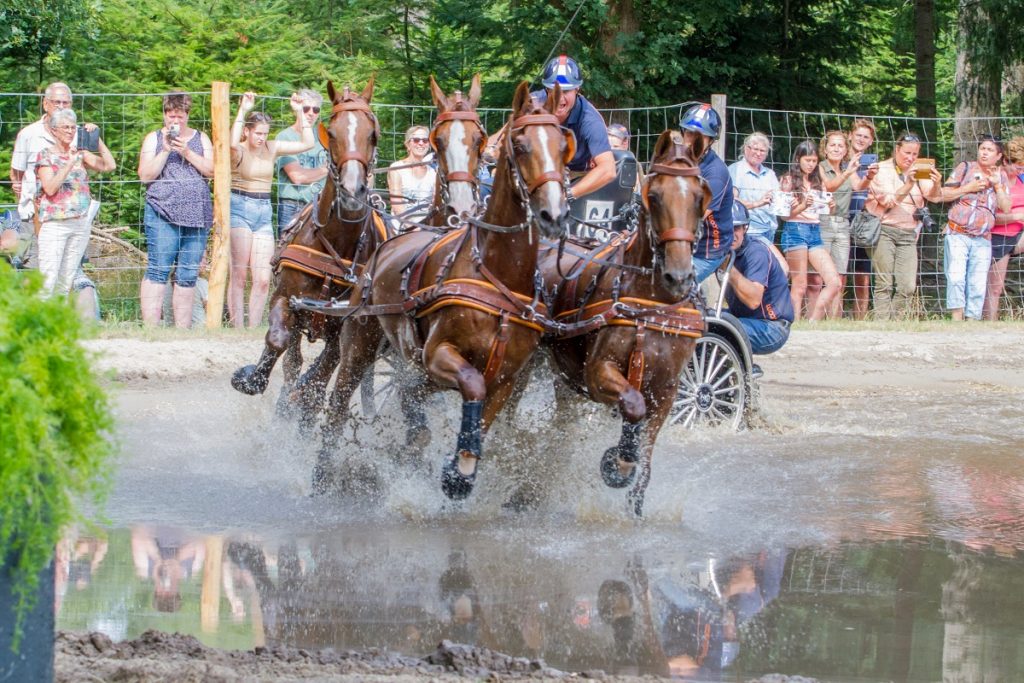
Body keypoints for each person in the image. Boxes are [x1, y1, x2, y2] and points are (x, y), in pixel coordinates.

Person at [228, 92, 314, 328]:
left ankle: (254, 327)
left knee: (263, 278)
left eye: (265, 133)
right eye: (257, 133)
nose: (262, 138)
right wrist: (243, 110)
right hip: (239, 205)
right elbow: (231, 143)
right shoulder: (240, 149)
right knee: (239, 273)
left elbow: (308, 143)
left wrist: (299, 111)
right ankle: (237, 327)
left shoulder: (272, 147)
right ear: (247, 131)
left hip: (263, 209)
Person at [137, 92, 214, 328]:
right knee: (158, 270)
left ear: (187, 115)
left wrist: (186, 152)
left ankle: (183, 330)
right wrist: (166, 150)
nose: (175, 122)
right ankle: (151, 330)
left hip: (197, 215)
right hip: (162, 212)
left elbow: (211, 170)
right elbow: (145, 175)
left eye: (180, 117)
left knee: (188, 275)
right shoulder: (154, 139)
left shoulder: (201, 139)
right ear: (164, 114)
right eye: (171, 116)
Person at [503, 55, 615, 201]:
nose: (559, 99)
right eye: (553, 91)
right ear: (546, 90)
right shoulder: (533, 104)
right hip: (536, 172)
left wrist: (568, 195)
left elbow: (608, 169)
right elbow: (502, 137)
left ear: (577, 89)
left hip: (574, 176)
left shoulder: (590, 121)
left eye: (566, 91)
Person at [863, 132, 947, 320]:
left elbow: (933, 197)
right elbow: (888, 201)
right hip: (884, 229)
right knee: (884, 282)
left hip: (909, 232)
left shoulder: (919, 169)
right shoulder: (881, 169)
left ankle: (895, 322)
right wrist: (909, 183)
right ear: (896, 150)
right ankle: (882, 324)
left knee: (908, 285)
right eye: (906, 153)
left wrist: (936, 183)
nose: (910, 158)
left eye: (915, 154)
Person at [34, 108, 115, 298]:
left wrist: (97, 139)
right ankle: (38, 323)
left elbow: (109, 166)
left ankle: (59, 324)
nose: (70, 132)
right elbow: (51, 188)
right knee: (47, 279)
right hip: (55, 224)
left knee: (66, 280)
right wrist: (70, 163)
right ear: (54, 130)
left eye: (73, 128)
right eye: (65, 128)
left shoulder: (81, 153)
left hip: (80, 223)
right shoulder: (45, 155)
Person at [942, 134, 1011, 320]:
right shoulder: (964, 168)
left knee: (978, 283)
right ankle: (957, 319)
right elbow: (944, 193)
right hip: (958, 233)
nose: (985, 153)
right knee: (956, 277)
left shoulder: (1001, 176)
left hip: (983, 238)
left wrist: (997, 186)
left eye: (990, 150)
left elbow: (1005, 207)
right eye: (983, 149)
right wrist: (968, 188)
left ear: (998, 156)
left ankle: (972, 320)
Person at [808, 130, 874, 318]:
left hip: (843, 225)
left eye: (840, 146)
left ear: (846, 150)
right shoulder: (819, 167)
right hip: (824, 223)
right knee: (818, 276)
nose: (836, 149)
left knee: (840, 275)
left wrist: (869, 176)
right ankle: (814, 317)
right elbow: (828, 186)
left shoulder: (846, 168)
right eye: (833, 145)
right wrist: (847, 172)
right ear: (825, 149)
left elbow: (859, 186)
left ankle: (834, 318)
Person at [778, 140, 840, 321]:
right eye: (807, 160)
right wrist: (804, 205)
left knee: (833, 281)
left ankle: (814, 320)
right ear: (798, 159)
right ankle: (794, 323)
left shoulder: (817, 181)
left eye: (814, 161)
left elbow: (823, 212)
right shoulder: (788, 180)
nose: (811, 164)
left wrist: (831, 206)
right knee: (799, 284)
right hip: (794, 230)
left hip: (814, 231)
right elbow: (784, 216)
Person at [726, 203, 794, 355]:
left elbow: (753, 300)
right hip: (745, 319)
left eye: (736, 228)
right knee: (700, 320)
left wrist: (727, 267)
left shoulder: (756, 252)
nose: (731, 234)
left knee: (720, 328)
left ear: (745, 228)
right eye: (726, 229)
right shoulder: (722, 250)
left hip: (771, 327)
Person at [679, 102, 734, 282]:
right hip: (679, 242)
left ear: (710, 141)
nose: (692, 140)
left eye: (699, 137)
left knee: (672, 288)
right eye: (689, 133)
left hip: (706, 249)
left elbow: (693, 217)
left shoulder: (715, 173)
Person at [9, 82, 75, 223]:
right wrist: (26, 200)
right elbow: (16, 174)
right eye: (57, 102)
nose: (61, 107)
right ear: (45, 104)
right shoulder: (28, 134)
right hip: (34, 215)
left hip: (70, 214)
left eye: (66, 103)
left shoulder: (76, 134)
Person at [275, 88, 328, 233]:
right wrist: (327, 169)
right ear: (297, 110)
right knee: (288, 252)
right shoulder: (285, 137)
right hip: (293, 206)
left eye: (316, 109)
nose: (311, 113)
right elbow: (297, 177)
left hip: (321, 205)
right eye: (306, 108)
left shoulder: (325, 137)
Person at [984, 136, 1024, 320]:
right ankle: (988, 322)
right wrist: (1016, 216)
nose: (1021, 170)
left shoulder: (1021, 180)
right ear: (1006, 161)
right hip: (997, 237)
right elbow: (987, 216)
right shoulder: (995, 179)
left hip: (1017, 235)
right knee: (995, 287)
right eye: (1018, 166)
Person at [846, 119, 880, 320]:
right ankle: (832, 316)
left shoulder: (874, 164)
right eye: (858, 135)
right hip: (841, 218)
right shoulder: (839, 157)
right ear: (850, 136)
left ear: (871, 141)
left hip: (863, 223)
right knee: (836, 275)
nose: (861, 139)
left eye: (865, 137)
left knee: (862, 276)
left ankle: (860, 319)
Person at [728, 132, 780, 243]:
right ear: (746, 148)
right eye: (755, 149)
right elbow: (732, 201)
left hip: (770, 230)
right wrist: (758, 203)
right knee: (776, 260)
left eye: (762, 151)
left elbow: (778, 202)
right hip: (750, 231)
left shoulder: (770, 173)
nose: (758, 153)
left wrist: (785, 191)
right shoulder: (736, 170)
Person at [387, 125, 436, 231]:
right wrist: (412, 227)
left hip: (426, 227)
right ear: (408, 144)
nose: (421, 143)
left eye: (425, 140)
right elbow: (396, 204)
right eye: (416, 140)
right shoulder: (397, 168)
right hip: (401, 226)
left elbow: (434, 203)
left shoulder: (433, 173)